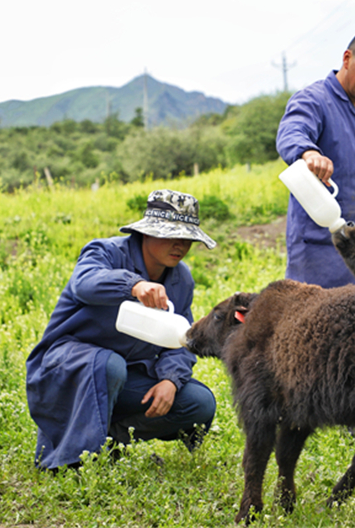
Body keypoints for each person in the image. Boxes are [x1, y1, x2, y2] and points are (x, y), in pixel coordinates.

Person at [25, 189, 217, 470]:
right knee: (109, 366)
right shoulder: (106, 251)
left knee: (198, 403)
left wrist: (171, 380)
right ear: (147, 232)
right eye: (170, 235)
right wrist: (133, 285)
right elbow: (84, 282)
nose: (180, 245)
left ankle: (107, 442)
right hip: (66, 369)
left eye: (188, 238)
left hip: (125, 375)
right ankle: (71, 459)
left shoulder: (181, 279)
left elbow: (180, 337)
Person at [276, 30, 355, 288]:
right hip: (323, 259)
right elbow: (291, 131)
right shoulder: (314, 100)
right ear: (348, 58)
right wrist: (308, 152)